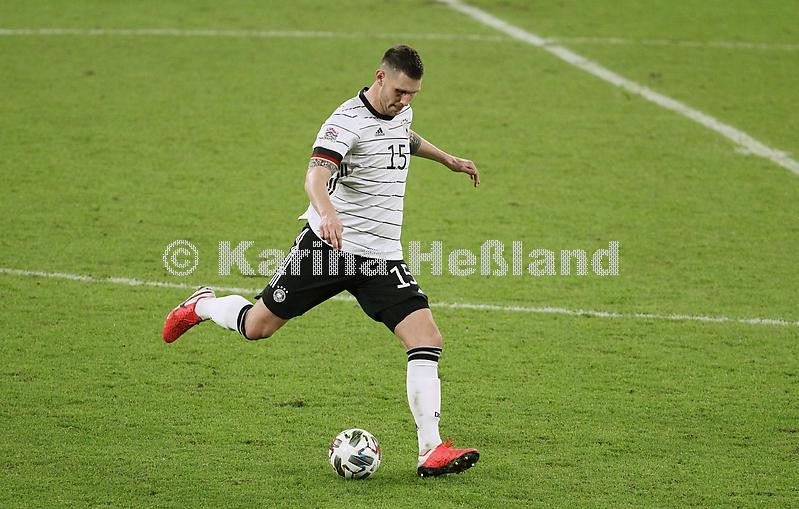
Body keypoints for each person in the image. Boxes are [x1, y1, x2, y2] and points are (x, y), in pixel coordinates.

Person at [162, 45, 481, 477]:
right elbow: (315, 175)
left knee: (427, 339)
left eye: (414, 94)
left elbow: (404, 138)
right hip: (327, 251)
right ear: (380, 77)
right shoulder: (344, 122)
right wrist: (327, 212)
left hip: (381, 257)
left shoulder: (400, 110)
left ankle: (431, 450)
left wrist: (448, 160)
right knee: (257, 327)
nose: (406, 100)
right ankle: (202, 305)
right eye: (400, 91)